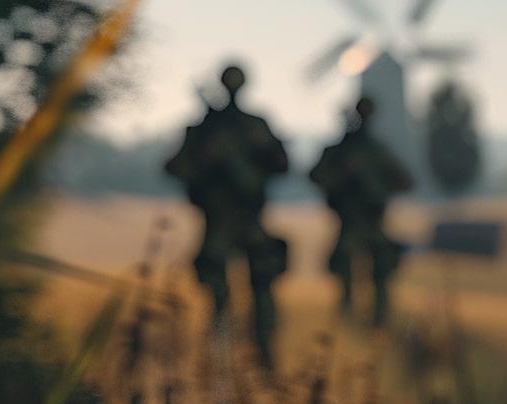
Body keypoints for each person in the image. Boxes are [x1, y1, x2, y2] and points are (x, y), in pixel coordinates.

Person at [164, 64, 288, 368]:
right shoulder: (206, 129)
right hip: (218, 221)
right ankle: (221, 357)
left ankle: (262, 354)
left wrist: (246, 159)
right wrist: (208, 160)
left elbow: (281, 163)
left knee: (260, 289)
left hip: (248, 219)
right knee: (218, 293)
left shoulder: (255, 127)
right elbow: (176, 167)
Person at [309, 97, 414, 326]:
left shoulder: (375, 152)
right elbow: (317, 176)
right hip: (351, 223)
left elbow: (405, 181)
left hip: (370, 222)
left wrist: (373, 185)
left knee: (380, 274)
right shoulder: (346, 151)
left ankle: (378, 321)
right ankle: (352, 320)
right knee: (346, 273)